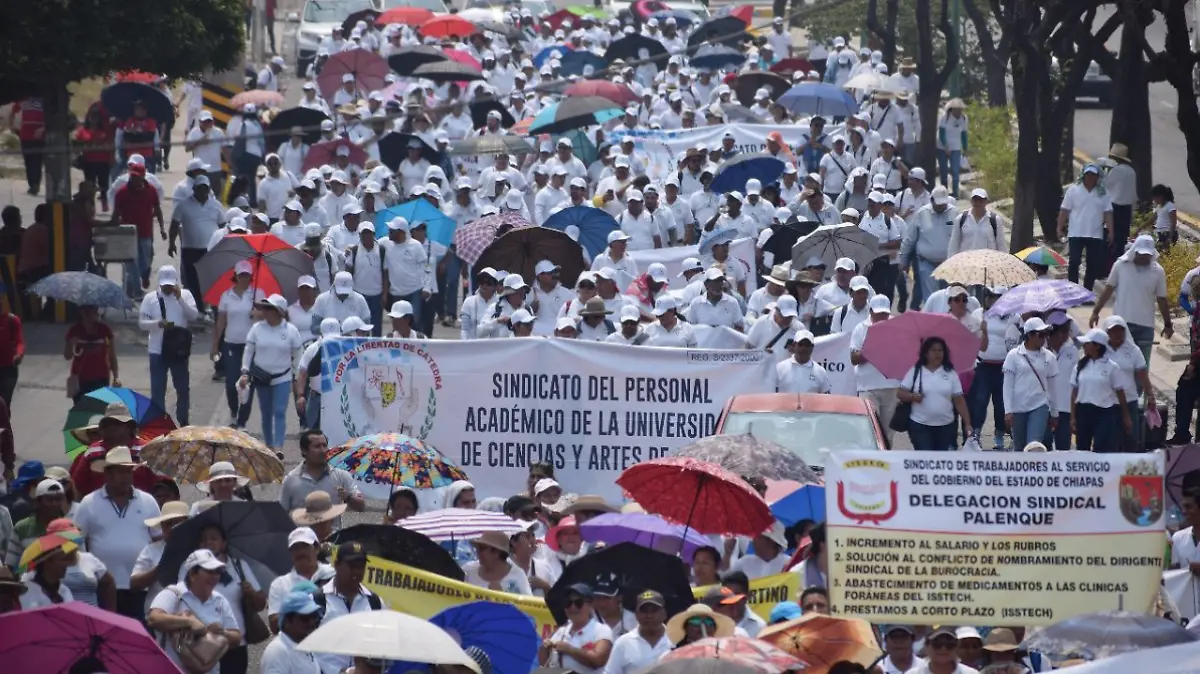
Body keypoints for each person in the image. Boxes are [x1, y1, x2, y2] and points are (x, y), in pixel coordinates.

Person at [73, 446, 161, 620]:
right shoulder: (89, 503)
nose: (125, 477)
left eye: (128, 471)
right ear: (108, 474)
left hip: (141, 587)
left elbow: (158, 540)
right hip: (103, 587)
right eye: (120, 472)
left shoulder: (148, 501)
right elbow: (76, 542)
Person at [148, 549, 243, 674]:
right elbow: (154, 618)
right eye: (209, 571)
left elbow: (236, 637)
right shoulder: (173, 594)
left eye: (218, 571)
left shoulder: (220, 600)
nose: (215, 576)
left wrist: (222, 632)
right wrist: (189, 622)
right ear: (192, 574)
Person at [1090, 234, 1172, 368]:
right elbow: (1108, 289)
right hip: (1121, 325)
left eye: (1148, 255)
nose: (1145, 257)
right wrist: (1096, 311)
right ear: (1134, 251)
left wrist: (1168, 324)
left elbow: (1162, 299)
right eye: (1141, 254)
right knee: (1118, 366)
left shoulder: (1158, 271)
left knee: (1141, 368)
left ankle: (1139, 390)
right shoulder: (1120, 265)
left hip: (1145, 327)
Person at [197, 522, 265, 674]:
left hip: (236, 643)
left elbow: (261, 604)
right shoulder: (191, 569)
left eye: (213, 538)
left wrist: (251, 593)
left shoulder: (239, 566)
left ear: (224, 543)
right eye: (203, 539)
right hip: (204, 643)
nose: (208, 542)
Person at [240, 295, 303, 458]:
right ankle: (268, 445)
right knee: (266, 412)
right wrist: (245, 371)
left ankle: (278, 446)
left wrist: (297, 375)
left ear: (279, 311)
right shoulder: (257, 329)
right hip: (262, 377)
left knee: (280, 411)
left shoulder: (290, 330)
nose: (265, 311)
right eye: (264, 308)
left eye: (269, 308)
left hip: (282, 377)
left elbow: (298, 354)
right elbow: (248, 351)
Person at [138, 266, 199, 426]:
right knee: (158, 391)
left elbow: (194, 315)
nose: (168, 288)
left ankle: (183, 420)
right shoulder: (150, 298)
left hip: (178, 350)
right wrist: (157, 323)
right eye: (165, 285)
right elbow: (142, 323)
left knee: (183, 389)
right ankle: (159, 424)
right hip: (157, 350)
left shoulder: (185, 295)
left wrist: (180, 299)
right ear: (159, 283)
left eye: (170, 285)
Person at [311, 541, 384, 674]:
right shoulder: (317, 601)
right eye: (351, 565)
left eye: (361, 566)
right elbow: (303, 651)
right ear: (336, 565)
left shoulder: (375, 603)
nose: (357, 571)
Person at [212, 260, 265, 428]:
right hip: (231, 344)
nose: (244, 278)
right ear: (235, 276)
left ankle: (242, 421)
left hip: (251, 345)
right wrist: (215, 345)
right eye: (241, 275)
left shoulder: (258, 293)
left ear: (251, 277)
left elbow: (268, 316)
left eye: (247, 275)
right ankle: (234, 411)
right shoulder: (226, 296)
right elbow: (220, 322)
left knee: (247, 384)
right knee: (230, 384)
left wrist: (257, 314)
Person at [899, 336, 973, 451]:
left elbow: (959, 400)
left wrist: (967, 424)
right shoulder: (916, 370)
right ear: (926, 353)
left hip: (945, 426)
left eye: (940, 350)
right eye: (933, 350)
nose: (937, 354)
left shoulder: (950, 373)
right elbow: (900, 393)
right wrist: (913, 396)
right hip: (920, 425)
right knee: (925, 457)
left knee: (940, 461)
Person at [1002, 317, 1060, 452]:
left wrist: (1055, 411)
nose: (1044, 338)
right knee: (1019, 447)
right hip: (1018, 407)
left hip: (1040, 405)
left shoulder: (1049, 357)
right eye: (1040, 334)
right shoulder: (1013, 355)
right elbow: (1007, 385)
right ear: (1029, 335)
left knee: (1034, 446)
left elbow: (1052, 386)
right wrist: (1008, 410)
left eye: (1046, 334)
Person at [1070, 329, 1131, 452]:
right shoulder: (1080, 365)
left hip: (1104, 413)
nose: (1084, 346)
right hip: (1083, 411)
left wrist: (1126, 416)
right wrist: (1073, 417)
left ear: (1097, 346)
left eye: (1087, 343)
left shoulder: (1112, 367)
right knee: (1082, 448)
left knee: (1101, 447)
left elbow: (1120, 393)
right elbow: (1074, 393)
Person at [850, 295, 901, 441]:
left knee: (887, 433)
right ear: (871, 312)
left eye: (884, 314)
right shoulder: (861, 329)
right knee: (870, 429)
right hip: (868, 387)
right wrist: (874, 347)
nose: (882, 317)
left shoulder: (897, 327)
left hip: (892, 386)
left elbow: (905, 354)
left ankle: (886, 461)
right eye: (878, 314)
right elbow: (854, 359)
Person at [898, 186, 956, 310]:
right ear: (932, 200)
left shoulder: (955, 213)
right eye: (938, 203)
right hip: (926, 263)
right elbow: (910, 239)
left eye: (943, 204)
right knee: (931, 299)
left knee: (949, 299)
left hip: (949, 264)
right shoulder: (921, 213)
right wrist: (903, 260)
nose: (941, 206)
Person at [1057, 164, 1113, 291]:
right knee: (1074, 261)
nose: (1090, 177)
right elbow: (1064, 210)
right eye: (1088, 174)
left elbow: (1108, 213)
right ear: (1083, 175)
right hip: (1076, 232)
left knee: (1092, 264)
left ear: (1097, 177)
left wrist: (1111, 231)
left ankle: (1087, 291)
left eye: (1093, 175)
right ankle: (1073, 289)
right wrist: (1059, 227)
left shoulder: (1103, 193)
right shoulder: (1073, 190)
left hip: (1095, 234)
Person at [131, 500, 189, 617]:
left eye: (178, 523)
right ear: (162, 526)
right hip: (158, 616)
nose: (173, 528)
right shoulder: (151, 550)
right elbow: (134, 583)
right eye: (169, 524)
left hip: (191, 616)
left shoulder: (199, 549)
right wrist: (161, 567)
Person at [1103, 314, 1153, 450]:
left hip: (1129, 399)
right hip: (1108, 402)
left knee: (1131, 438)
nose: (1117, 333)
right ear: (1107, 332)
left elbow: (1142, 374)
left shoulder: (1133, 350)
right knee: (1111, 440)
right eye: (1114, 330)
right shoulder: (1101, 350)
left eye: (1120, 330)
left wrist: (1151, 394)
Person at [539, 582, 613, 673]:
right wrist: (545, 648)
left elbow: (599, 659)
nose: (573, 607)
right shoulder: (561, 631)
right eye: (568, 603)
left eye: (578, 603)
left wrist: (569, 650)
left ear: (590, 605)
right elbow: (543, 663)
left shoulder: (601, 630)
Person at [603, 590, 670, 674]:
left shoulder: (677, 639)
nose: (649, 616)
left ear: (664, 613)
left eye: (654, 611)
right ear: (636, 615)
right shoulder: (623, 642)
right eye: (644, 611)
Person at [262, 587, 324, 674]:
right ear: (287, 622)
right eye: (305, 618)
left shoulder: (304, 645)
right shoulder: (277, 652)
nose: (312, 622)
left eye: (314, 616)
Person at [6, 478, 66, 567]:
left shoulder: (70, 528)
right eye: (50, 500)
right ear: (38, 502)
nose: (54, 504)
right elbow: (10, 564)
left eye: (58, 499)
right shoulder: (22, 528)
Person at [65, 305, 118, 402]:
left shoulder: (104, 330)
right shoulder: (75, 330)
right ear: (83, 313)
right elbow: (67, 356)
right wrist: (71, 344)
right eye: (93, 311)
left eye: (96, 310)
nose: (97, 313)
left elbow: (112, 356)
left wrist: (116, 377)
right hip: (79, 378)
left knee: (99, 411)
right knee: (80, 412)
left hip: (101, 377)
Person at [462, 530, 532, 594]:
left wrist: (501, 596)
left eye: (482, 548)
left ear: (496, 552)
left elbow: (528, 606)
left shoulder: (517, 575)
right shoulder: (468, 571)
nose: (477, 551)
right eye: (477, 548)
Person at [948, 188, 1006, 256]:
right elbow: (954, 244)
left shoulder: (995, 220)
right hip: (967, 262)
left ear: (986, 201)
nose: (978, 202)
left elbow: (1001, 245)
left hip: (987, 262)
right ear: (971, 201)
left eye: (981, 200)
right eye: (975, 199)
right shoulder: (961, 219)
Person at [20, 535, 74, 608]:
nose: (67, 564)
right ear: (47, 561)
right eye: (63, 559)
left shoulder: (65, 590)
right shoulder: (28, 590)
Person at [666, 603, 737, 648]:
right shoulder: (674, 656)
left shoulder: (726, 653)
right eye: (696, 621)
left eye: (708, 621)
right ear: (686, 628)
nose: (702, 625)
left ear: (714, 628)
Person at [936, 99, 968, 197]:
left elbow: (964, 134)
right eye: (957, 110)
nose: (959, 112)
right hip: (942, 147)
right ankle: (944, 192)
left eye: (960, 109)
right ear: (952, 109)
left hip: (956, 147)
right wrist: (946, 147)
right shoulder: (945, 118)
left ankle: (955, 192)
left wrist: (965, 148)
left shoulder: (964, 118)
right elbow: (941, 134)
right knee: (944, 171)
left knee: (955, 170)